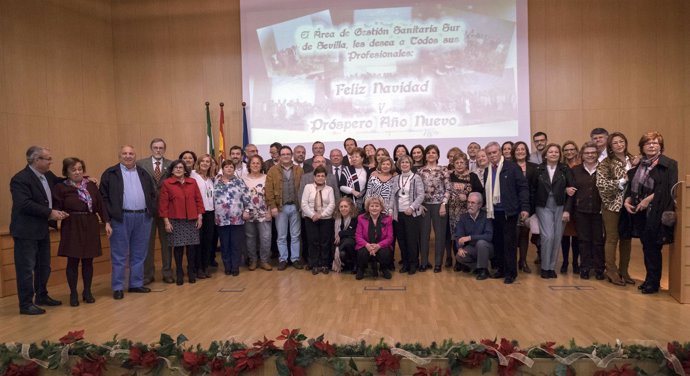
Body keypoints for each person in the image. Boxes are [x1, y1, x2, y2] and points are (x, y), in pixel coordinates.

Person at [10, 146, 68, 315]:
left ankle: (42, 295)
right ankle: (26, 303)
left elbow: (61, 181)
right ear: (36, 160)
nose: (51, 161)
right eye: (48, 159)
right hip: (25, 231)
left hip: (41, 229)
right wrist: (50, 213)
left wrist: (84, 178)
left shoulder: (47, 175)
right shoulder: (20, 179)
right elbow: (24, 204)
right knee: (26, 268)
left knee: (44, 267)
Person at [623, 131, 677, 294]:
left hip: (656, 211)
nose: (652, 145)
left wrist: (648, 200)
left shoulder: (669, 164)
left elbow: (668, 188)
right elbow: (632, 186)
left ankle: (653, 283)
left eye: (655, 143)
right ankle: (649, 279)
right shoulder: (639, 164)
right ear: (642, 147)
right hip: (640, 211)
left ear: (660, 146)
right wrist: (627, 200)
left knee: (653, 247)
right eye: (648, 143)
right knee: (647, 246)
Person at [101, 145, 157, 300]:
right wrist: (107, 219)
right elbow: (103, 198)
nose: (128, 156)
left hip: (143, 218)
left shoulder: (143, 173)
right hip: (121, 218)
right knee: (119, 254)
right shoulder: (110, 174)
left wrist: (151, 211)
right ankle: (118, 287)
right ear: (119, 156)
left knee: (139, 253)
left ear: (135, 155)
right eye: (124, 153)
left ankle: (136, 284)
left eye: (131, 153)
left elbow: (153, 194)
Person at [53, 157, 111, 307]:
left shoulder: (91, 185)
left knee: (88, 261)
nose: (77, 172)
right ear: (66, 172)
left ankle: (87, 291)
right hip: (71, 225)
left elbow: (100, 205)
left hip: (90, 224)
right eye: (73, 170)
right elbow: (56, 208)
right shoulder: (61, 187)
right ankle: (73, 293)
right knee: (72, 261)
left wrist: (107, 222)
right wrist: (57, 219)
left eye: (80, 169)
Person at [482, 142, 530, 284]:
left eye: (494, 152)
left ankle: (511, 273)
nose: (492, 155)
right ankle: (501, 269)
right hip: (493, 212)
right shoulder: (487, 170)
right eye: (489, 153)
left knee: (509, 243)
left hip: (509, 212)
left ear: (500, 152)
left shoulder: (512, 167)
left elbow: (523, 188)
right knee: (498, 243)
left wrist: (525, 208)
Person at [596, 132, 636, 285]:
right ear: (610, 147)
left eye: (621, 141)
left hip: (631, 205)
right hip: (612, 205)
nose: (619, 145)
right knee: (612, 239)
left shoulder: (634, 160)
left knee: (627, 239)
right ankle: (611, 271)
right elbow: (602, 185)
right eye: (615, 143)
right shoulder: (606, 163)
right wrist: (622, 181)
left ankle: (624, 271)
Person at [532, 143, 574, 279]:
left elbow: (572, 190)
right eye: (551, 152)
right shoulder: (538, 169)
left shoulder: (565, 169)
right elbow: (532, 190)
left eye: (556, 152)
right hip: (543, 206)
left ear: (560, 155)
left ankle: (551, 267)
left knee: (557, 237)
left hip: (561, 206)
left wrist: (567, 210)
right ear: (545, 154)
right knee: (547, 236)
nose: (554, 154)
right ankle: (544, 267)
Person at [159, 160, 204, 285]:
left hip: (192, 219)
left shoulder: (192, 182)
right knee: (178, 248)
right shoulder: (167, 184)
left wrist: (200, 216)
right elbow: (163, 205)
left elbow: (198, 200)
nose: (178, 169)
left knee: (191, 247)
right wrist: (166, 222)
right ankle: (179, 271)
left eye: (181, 167)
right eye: (176, 167)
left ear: (185, 170)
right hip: (175, 220)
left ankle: (190, 271)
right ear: (172, 170)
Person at [136, 138, 171, 284]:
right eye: (155, 147)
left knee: (167, 243)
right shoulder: (140, 164)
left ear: (164, 149)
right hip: (147, 209)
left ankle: (167, 272)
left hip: (166, 211)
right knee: (147, 244)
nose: (158, 150)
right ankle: (148, 274)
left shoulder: (171, 165)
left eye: (161, 148)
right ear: (151, 149)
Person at [265, 146, 304, 270]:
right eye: (283, 154)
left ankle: (295, 259)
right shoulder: (272, 170)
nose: (286, 156)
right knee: (281, 236)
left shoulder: (299, 170)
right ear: (279, 156)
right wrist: (272, 206)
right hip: (280, 208)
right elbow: (269, 190)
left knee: (295, 235)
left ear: (291, 155)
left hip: (296, 207)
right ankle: (283, 259)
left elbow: (303, 189)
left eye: (288, 154)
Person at [571, 142, 605, 280]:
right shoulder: (575, 170)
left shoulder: (604, 169)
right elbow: (570, 188)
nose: (590, 155)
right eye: (587, 153)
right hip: (580, 211)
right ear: (582, 155)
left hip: (599, 210)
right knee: (583, 241)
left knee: (598, 241)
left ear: (597, 154)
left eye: (593, 153)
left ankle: (599, 269)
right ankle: (584, 267)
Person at [389, 155, 425, 274]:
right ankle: (405, 263)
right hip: (398, 214)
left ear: (410, 164)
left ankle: (413, 264)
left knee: (412, 240)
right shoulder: (396, 179)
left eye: (407, 162)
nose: (404, 164)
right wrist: (390, 210)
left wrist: (411, 207)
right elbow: (392, 196)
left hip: (412, 213)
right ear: (399, 165)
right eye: (402, 163)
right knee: (402, 240)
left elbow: (421, 195)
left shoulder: (416, 178)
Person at [214, 160, 251, 276]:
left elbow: (247, 197)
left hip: (237, 218)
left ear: (234, 169)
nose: (229, 169)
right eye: (226, 167)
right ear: (222, 169)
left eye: (231, 167)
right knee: (225, 244)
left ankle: (235, 267)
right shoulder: (216, 182)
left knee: (236, 244)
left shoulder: (239, 182)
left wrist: (247, 210)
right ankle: (227, 266)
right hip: (221, 218)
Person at [418, 144, 450, 273]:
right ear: (425, 156)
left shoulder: (444, 170)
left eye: (433, 152)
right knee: (423, 235)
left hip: (439, 205)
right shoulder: (420, 171)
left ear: (437, 155)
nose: (431, 155)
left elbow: (448, 188)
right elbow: (417, 190)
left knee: (440, 235)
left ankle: (438, 263)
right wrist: (419, 204)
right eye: (428, 153)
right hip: (424, 206)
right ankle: (424, 262)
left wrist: (444, 204)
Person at [301, 166, 336, 274]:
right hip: (310, 219)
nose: (320, 178)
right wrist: (312, 215)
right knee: (313, 241)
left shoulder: (329, 189)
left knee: (325, 242)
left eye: (322, 176)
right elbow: (304, 203)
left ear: (325, 177)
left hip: (326, 219)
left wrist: (321, 215)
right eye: (318, 176)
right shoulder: (308, 187)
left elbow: (332, 204)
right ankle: (314, 264)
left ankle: (325, 264)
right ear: (314, 177)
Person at [511, 141, 538, 274]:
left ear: (526, 151)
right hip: (513, 206)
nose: (520, 151)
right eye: (517, 150)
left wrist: (529, 207)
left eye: (523, 149)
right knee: (514, 235)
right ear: (513, 152)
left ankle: (523, 261)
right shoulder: (509, 166)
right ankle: (512, 261)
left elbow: (536, 188)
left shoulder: (534, 167)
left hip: (529, 205)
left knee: (524, 234)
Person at [242, 155, 273, 271]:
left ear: (261, 165)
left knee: (266, 237)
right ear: (249, 165)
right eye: (253, 163)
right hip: (248, 213)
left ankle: (264, 261)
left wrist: (270, 211)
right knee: (250, 238)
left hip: (264, 212)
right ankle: (253, 260)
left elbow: (270, 195)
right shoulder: (243, 179)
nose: (255, 165)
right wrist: (243, 211)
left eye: (258, 163)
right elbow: (240, 197)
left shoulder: (267, 178)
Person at [447, 153, 483, 250]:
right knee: (456, 235)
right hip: (453, 212)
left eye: (461, 162)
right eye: (457, 162)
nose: (459, 164)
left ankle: (469, 259)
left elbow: (480, 192)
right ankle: (458, 261)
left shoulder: (473, 176)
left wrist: (467, 197)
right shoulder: (450, 176)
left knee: (468, 235)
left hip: (469, 212)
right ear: (453, 164)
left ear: (466, 164)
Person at [455, 192, 494, 280]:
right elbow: (458, 235)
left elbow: (489, 236)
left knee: (481, 243)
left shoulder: (486, 216)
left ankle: (483, 270)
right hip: (473, 248)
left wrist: (470, 237)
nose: (470, 205)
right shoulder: (463, 217)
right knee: (459, 256)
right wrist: (459, 248)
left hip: (487, 248)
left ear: (479, 205)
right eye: (468, 202)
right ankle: (479, 267)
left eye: (473, 203)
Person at [355, 196, 394, 280]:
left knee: (385, 252)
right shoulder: (361, 218)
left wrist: (379, 245)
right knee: (362, 252)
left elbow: (390, 238)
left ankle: (384, 269)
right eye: (372, 206)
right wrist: (367, 245)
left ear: (381, 208)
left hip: (380, 245)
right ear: (368, 208)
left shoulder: (388, 219)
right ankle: (361, 269)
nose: (374, 208)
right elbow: (358, 236)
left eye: (377, 206)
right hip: (366, 245)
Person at [190, 154, 216, 279]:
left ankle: (205, 267)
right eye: (203, 161)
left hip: (210, 212)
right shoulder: (193, 176)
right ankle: (197, 268)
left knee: (208, 240)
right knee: (198, 241)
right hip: (198, 213)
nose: (205, 163)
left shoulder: (211, 179)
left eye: (208, 162)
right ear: (198, 163)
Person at [560, 141, 580, 274]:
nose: (569, 152)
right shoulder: (560, 167)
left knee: (577, 236)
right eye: (566, 150)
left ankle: (575, 263)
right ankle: (565, 262)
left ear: (576, 150)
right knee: (565, 236)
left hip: (579, 205)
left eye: (572, 149)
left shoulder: (582, 165)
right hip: (564, 204)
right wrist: (565, 189)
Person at [333, 198, 358, 273]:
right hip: (340, 245)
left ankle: (355, 264)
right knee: (342, 253)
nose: (343, 209)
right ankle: (346, 265)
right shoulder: (336, 219)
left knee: (348, 242)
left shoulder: (355, 218)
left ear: (350, 208)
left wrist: (341, 233)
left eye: (346, 206)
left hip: (353, 244)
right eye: (341, 207)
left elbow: (355, 232)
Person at [339, 147, 368, 211]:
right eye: (352, 157)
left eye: (356, 157)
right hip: (350, 202)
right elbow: (341, 186)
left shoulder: (367, 170)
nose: (354, 159)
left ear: (362, 158)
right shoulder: (346, 170)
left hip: (365, 202)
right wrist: (352, 191)